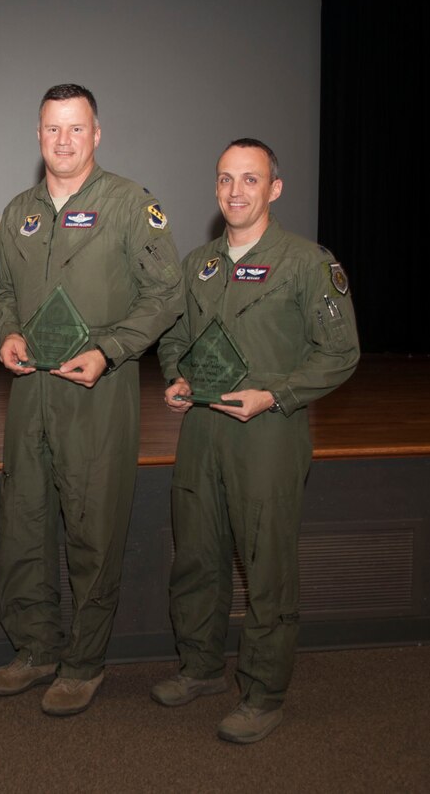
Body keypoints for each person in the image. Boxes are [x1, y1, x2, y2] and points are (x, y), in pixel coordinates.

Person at [0, 83, 183, 716]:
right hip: (30, 394)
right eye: (52, 129)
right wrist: (6, 331)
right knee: (25, 522)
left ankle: (84, 661)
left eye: (76, 128)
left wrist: (111, 349)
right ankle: (35, 648)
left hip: (98, 390)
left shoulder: (131, 204)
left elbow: (166, 295)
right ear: (37, 135)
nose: (63, 141)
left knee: (94, 525)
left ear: (97, 134)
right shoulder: (18, 211)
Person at [151, 139, 359, 743]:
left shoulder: (307, 262)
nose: (235, 192)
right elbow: (173, 339)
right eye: (225, 180)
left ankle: (264, 692)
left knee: (266, 567)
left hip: (268, 432)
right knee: (196, 555)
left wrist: (277, 394)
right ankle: (200, 667)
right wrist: (177, 376)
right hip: (202, 431)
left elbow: (341, 352)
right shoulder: (199, 264)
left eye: (249, 179)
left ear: (275, 188)